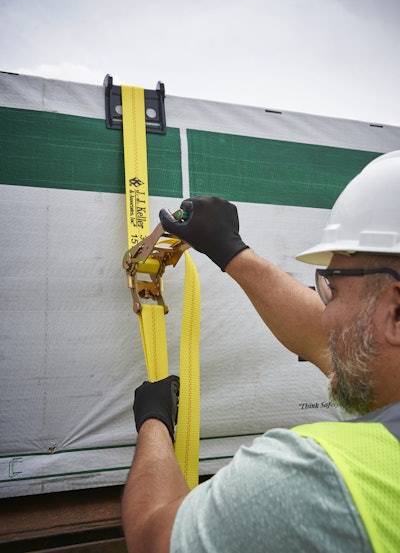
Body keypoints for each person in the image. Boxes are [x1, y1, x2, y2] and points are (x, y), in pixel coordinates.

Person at [121, 150, 400, 553]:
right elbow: (322, 339)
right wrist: (230, 251)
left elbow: (150, 538)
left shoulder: (315, 478)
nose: (324, 315)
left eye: (333, 290)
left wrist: (154, 421)